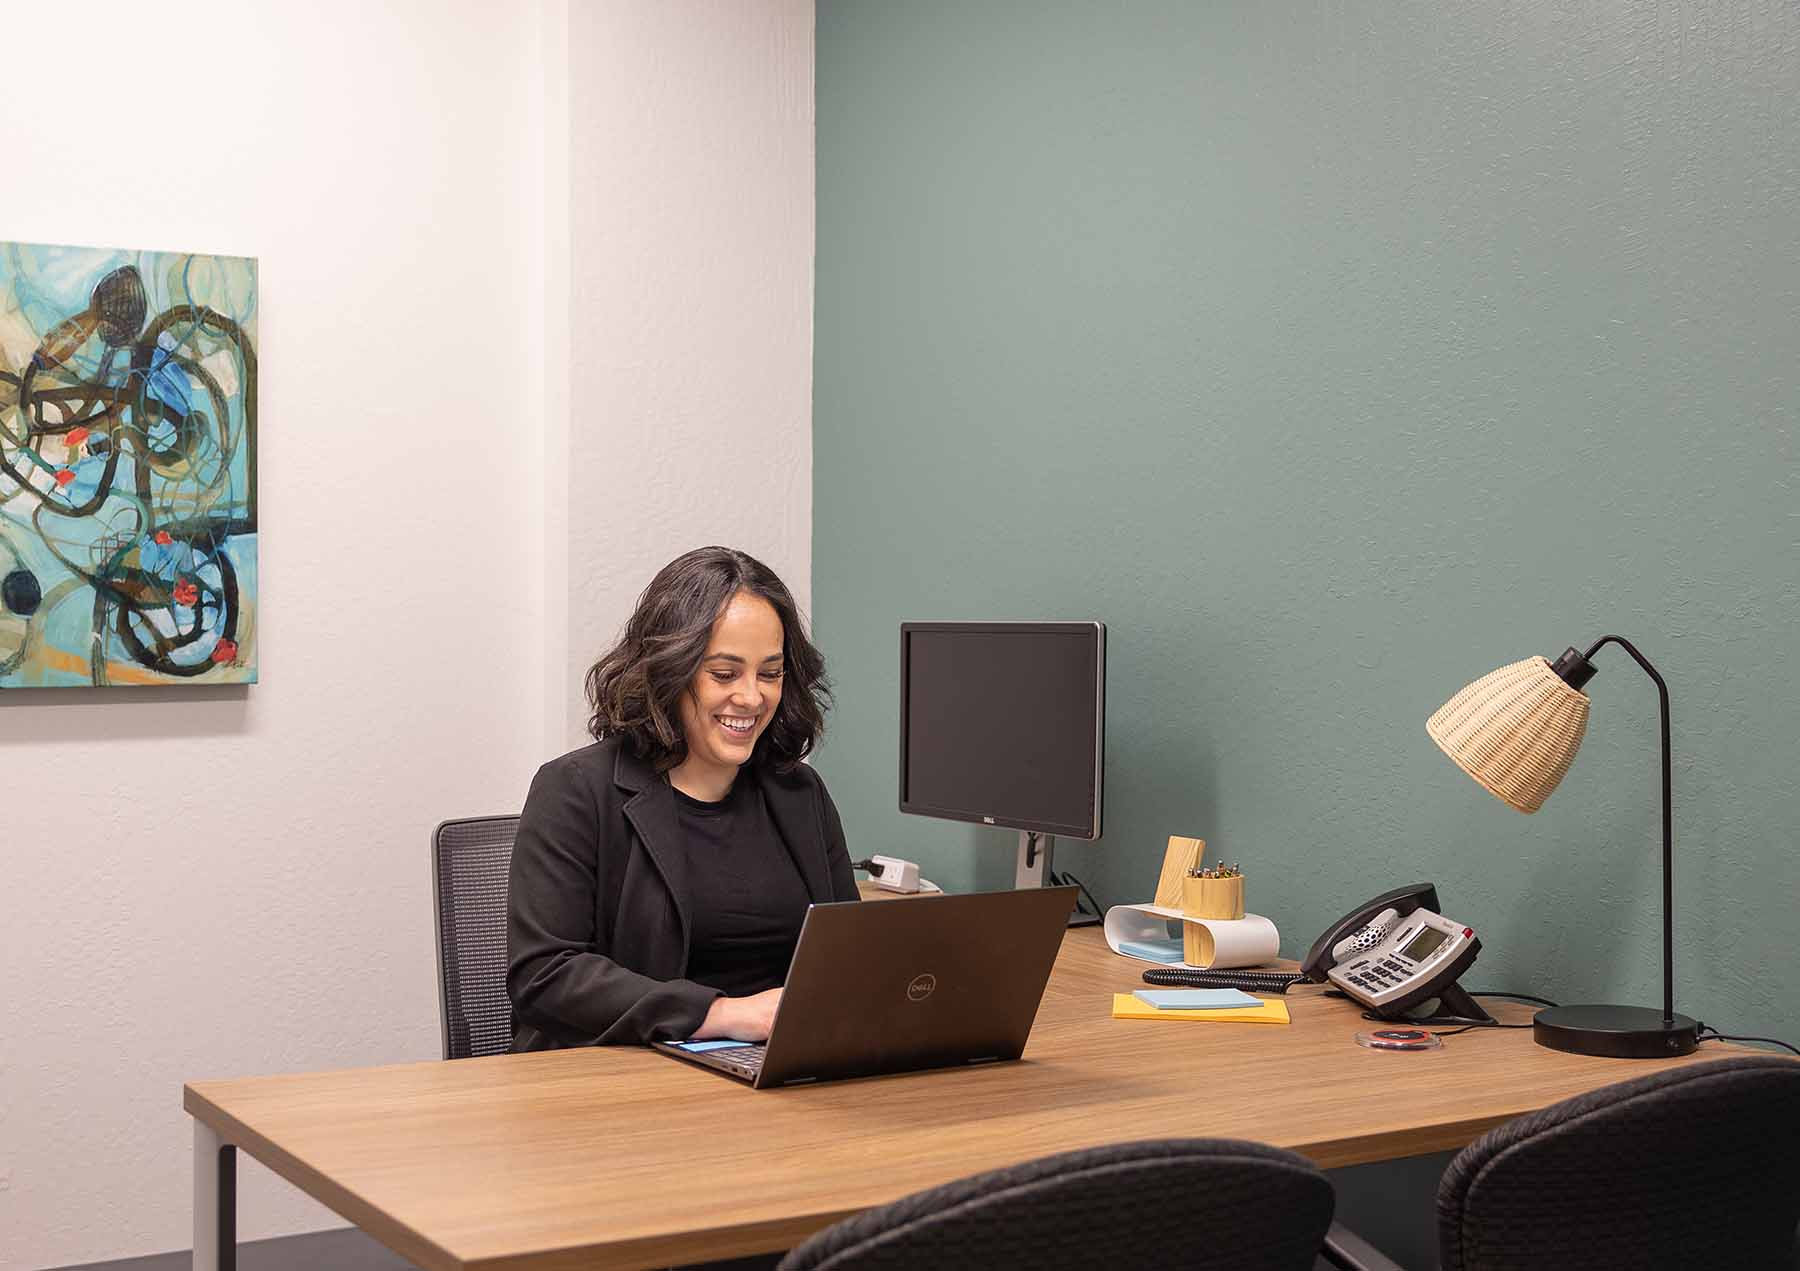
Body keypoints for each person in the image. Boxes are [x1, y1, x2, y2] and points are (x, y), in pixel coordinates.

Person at [507, 546, 858, 1051]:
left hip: (779, 1071)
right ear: (668, 670)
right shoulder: (576, 790)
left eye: (770, 672)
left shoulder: (799, 793)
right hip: (629, 1079)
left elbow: (846, 953)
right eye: (724, 673)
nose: (752, 697)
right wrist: (724, 1015)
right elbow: (545, 974)